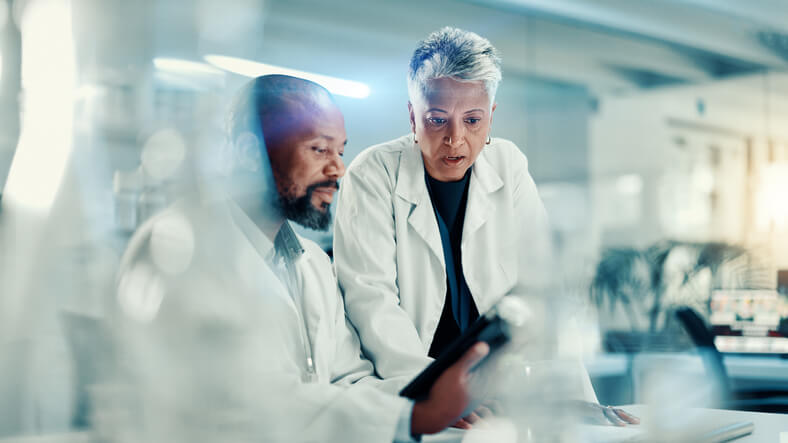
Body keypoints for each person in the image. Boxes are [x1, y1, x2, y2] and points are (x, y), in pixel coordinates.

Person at [114, 74, 488, 442]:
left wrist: (432, 392)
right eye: (319, 149)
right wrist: (412, 415)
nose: (338, 169)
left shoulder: (311, 264)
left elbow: (347, 380)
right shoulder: (179, 249)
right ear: (250, 151)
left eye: (340, 152)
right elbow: (251, 399)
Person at [333, 27, 638, 426]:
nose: (455, 139)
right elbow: (371, 301)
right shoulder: (372, 174)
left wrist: (566, 399)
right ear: (412, 116)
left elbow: (540, 291)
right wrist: (433, 396)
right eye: (437, 119)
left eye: (473, 120)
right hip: (413, 393)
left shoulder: (509, 166)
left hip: (500, 396)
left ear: (491, 116)